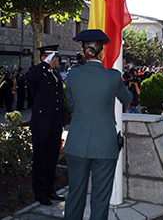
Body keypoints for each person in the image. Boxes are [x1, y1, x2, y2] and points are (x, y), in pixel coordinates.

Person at [64, 29, 133, 220]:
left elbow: (72, 104)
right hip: (104, 145)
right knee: (100, 198)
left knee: (75, 195)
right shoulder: (112, 76)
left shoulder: (73, 74)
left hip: (77, 143)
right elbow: (128, 99)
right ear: (101, 52)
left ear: (83, 51)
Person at [26, 45, 65, 206]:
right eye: (52, 57)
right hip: (42, 125)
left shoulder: (54, 74)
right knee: (40, 159)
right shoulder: (38, 72)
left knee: (51, 159)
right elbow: (30, 78)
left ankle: (49, 189)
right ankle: (39, 192)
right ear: (45, 58)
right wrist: (44, 63)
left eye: (55, 57)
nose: (55, 60)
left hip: (54, 125)